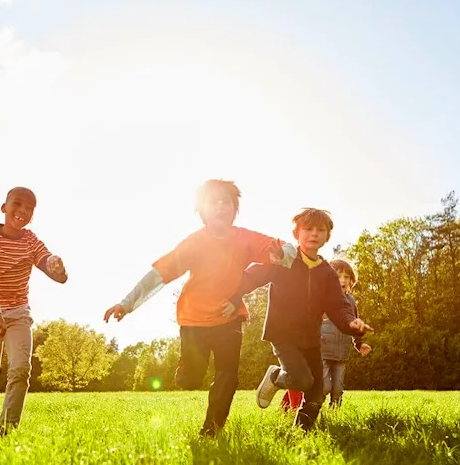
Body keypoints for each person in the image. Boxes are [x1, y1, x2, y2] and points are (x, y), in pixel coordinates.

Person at [103, 179, 296, 436]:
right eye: (213, 201)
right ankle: (186, 369)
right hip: (194, 320)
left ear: (234, 207)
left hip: (229, 318)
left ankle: (211, 429)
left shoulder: (245, 238)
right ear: (202, 209)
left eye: (225, 201)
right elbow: (158, 275)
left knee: (227, 376)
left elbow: (285, 248)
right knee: (190, 379)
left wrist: (281, 254)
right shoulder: (194, 243)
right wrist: (127, 303)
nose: (220, 206)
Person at [225, 208, 372, 431]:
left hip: (311, 339)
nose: (314, 234)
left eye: (320, 230)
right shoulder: (285, 260)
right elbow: (254, 275)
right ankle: (275, 376)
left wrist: (351, 324)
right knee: (303, 380)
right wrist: (235, 298)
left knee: (316, 394)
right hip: (283, 335)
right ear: (296, 233)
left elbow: (339, 306)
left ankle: (299, 434)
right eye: (308, 229)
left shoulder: (327, 274)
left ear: (327, 236)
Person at [0, 186, 68, 435]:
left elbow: (53, 270)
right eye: (17, 204)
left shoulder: (31, 241)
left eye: (29, 208)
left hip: (18, 313)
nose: (22, 210)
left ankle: (7, 432)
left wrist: (57, 267)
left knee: (21, 369)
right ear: (4, 207)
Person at [281, 258, 372, 411]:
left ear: (351, 281)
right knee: (324, 386)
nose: (342, 280)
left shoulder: (351, 302)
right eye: (337, 276)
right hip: (322, 350)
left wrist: (359, 343)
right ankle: (308, 409)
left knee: (338, 388)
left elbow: (354, 326)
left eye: (346, 277)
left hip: (341, 353)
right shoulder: (322, 299)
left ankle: (334, 413)